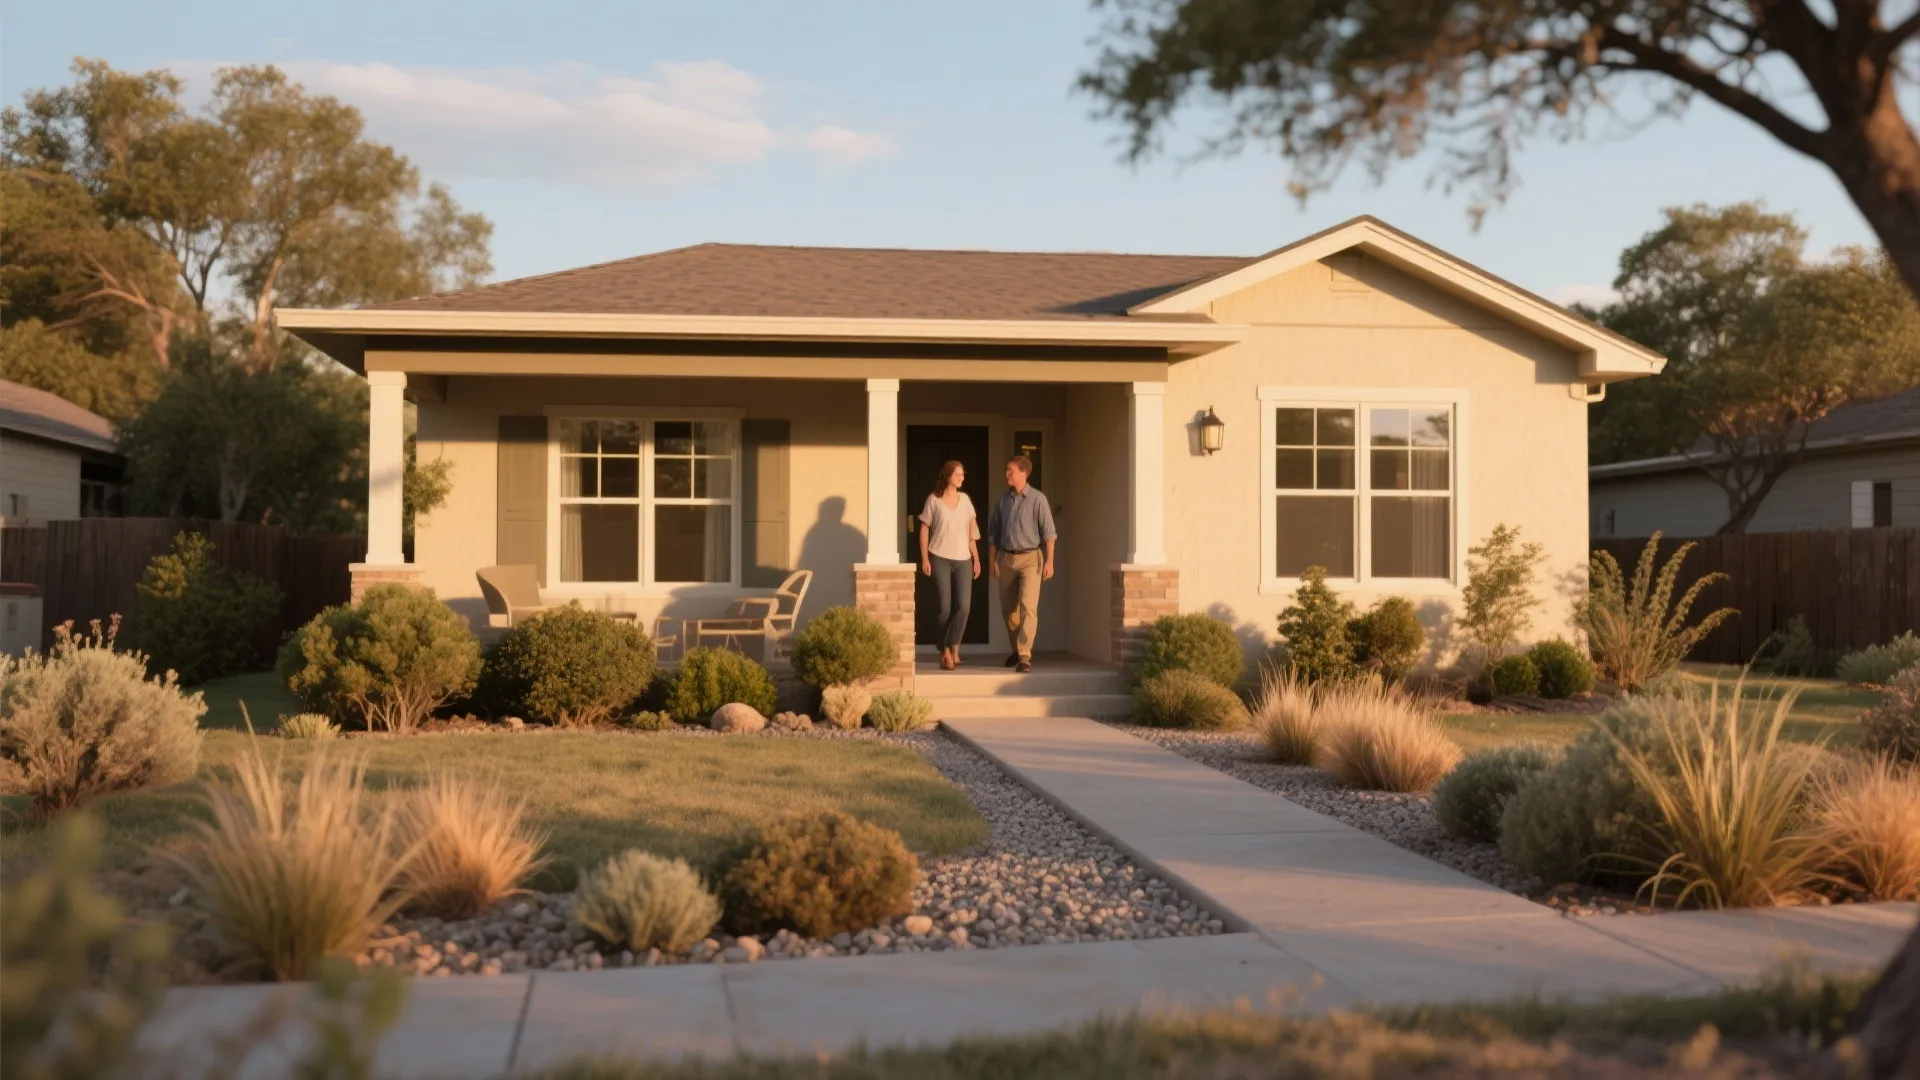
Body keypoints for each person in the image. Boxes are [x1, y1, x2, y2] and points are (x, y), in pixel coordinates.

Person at [985, 455, 1056, 673]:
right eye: (1007, 470)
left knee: (1028, 607)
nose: (1007, 474)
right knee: (1008, 609)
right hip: (1006, 558)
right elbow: (993, 534)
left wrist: (1050, 562)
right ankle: (1016, 649)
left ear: (1023, 473)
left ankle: (1025, 655)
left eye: (1011, 470)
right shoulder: (1002, 501)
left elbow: (1049, 534)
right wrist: (993, 561)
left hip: (1031, 559)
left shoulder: (1038, 499)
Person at [917, 460, 981, 671]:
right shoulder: (933, 500)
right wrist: (925, 558)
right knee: (943, 608)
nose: (962, 477)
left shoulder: (965, 501)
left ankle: (953, 645)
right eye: (958, 474)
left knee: (963, 606)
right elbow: (924, 529)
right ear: (947, 476)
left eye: (963, 474)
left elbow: (971, 532)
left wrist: (976, 558)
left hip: (963, 559)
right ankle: (946, 651)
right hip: (939, 557)